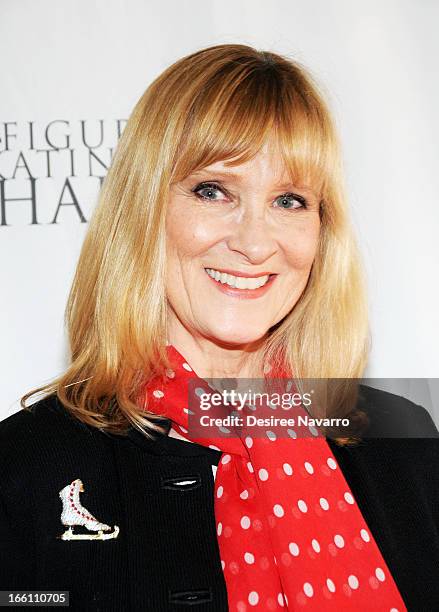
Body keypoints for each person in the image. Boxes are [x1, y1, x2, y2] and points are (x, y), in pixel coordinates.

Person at [0, 44, 438, 612]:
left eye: (289, 200)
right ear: (143, 209)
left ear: (321, 233)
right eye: (212, 191)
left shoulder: (401, 432)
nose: (254, 243)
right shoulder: (26, 468)